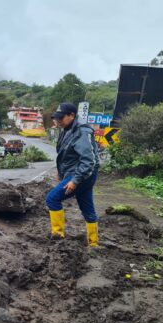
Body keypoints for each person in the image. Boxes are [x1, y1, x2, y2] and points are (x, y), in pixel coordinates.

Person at [46, 102, 100, 247]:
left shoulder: (81, 132)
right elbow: (66, 154)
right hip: (79, 173)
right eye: (57, 118)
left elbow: (88, 161)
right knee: (86, 205)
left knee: (52, 198)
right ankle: (93, 244)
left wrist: (75, 180)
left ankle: (57, 236)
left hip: (82, 173)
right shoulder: (67, 129)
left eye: (61, 118)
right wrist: (60, 172)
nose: (58, 121)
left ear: (72, 115)